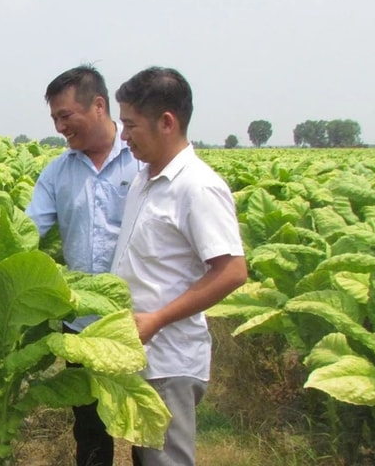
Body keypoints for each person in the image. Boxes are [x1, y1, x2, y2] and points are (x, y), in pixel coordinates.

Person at [111, 66, 248, 465]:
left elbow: (232, 270)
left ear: (167, 122)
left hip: (169, 360)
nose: (124, 135)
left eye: (130, 125)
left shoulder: (197, 186)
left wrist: (157, 319)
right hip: (143, 355)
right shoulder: (144, 179)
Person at [25, 64, 143, 466]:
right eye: (54, 119)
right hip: (83, 323)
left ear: (98, 105)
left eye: (65, 116)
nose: (60, 127)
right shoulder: (58, 172)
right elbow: (29, 231)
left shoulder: (142, 159)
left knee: (148, 424)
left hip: (142, 319)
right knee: (90, 428)